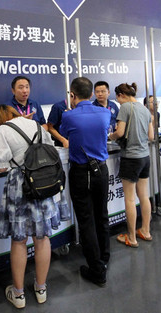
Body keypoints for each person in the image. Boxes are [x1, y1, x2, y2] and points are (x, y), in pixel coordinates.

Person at [0, 105, 58, 308]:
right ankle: (41, 288)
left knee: (19, 240)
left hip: (19, 185)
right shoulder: (36, 125)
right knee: (42, 238)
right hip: (42, 182)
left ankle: (18, 294)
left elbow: (0, 164)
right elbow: (50, 149)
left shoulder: (3, 130)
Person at [59, 77, 111, 286]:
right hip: (101, 170)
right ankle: (104, 257)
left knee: (86, 219)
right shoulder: (105, 112)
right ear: (91, 94)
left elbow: (64, 134)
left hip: (81, 172)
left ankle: (97, 269)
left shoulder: (69, 117)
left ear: (72, 95)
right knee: (102, 215)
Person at [108, 83, 153, 247]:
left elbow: (120, 132)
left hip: (130, 158)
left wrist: (111, 136)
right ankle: (145, 231)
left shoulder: (125, 107)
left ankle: (132, 237)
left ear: (120, 95)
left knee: (130, 198)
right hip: (144, 157)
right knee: (144, 196)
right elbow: (151, 135)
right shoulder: (144, 109)